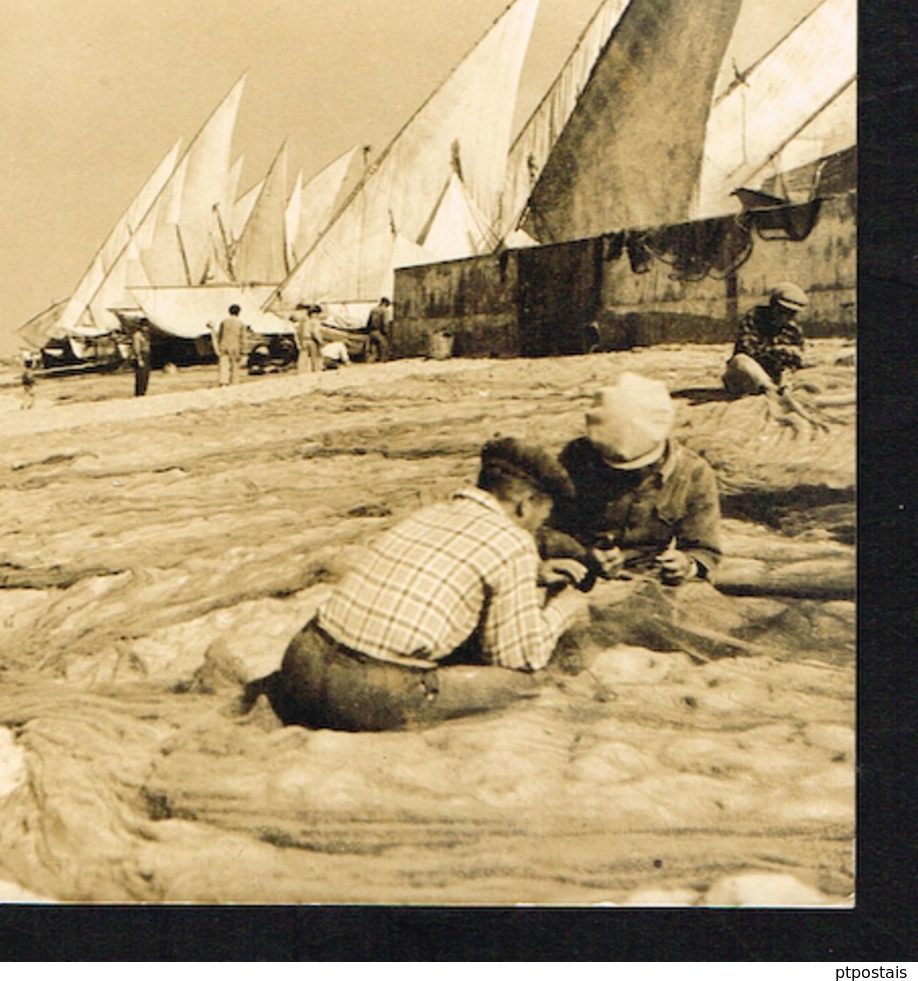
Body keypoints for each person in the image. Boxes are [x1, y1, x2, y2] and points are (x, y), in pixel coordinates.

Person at [273, 437, 591, 732]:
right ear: (525, 504)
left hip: (301, 663)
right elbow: (519, 658)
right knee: (533, 683)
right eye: (541, 517)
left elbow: (442, 569)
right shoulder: (514, 541)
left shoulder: (432, 514)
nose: (538, 527)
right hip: (368, 691)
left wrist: (532, 574)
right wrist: (566, 608)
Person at [542, 372, 723, 585]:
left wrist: (687, 564)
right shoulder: (575, 460)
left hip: (652, 581)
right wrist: (582, 553)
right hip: (580, 574)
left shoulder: (692, 474)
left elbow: (705, 550)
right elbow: (543, 528)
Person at [723, 282, 808, 397]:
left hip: (776, 375)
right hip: (749, 375)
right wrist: (777, 350)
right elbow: (747, 349)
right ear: (772, 306)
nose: (785, 317)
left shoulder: (793, 329)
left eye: (791, 314)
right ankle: (769, 388)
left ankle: (782, 389)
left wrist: (794, 356)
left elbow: (796, 361)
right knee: (740, 360)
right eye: (781, 311)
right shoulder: (754, 318)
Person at [213, 304, 248, 387]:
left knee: (224, 364)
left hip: (224, 346)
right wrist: (244, 351)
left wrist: (219, 345)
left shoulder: (224, 322)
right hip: (235, 346)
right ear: (239, 312)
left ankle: (223, 382)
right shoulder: (241, 323)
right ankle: (234, 381)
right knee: (234, 365)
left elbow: (220, 335)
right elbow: (243, 338)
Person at [294, 304, 325, 373]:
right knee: (315, 357)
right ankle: (316, 370)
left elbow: (299, 332)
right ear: (315, 313)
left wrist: (300, 341)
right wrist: (320, 341)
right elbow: (315, 332)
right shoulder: (315, 322)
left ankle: (301, 372)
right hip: (311, 340)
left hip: (304, 340)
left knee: (303, 356)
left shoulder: (304, 322)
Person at [366, 298, 394, 362]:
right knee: (384, 347)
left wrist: (368, 331)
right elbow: (385, 322)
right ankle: (382, 361)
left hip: (371, 331)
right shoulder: (385, 311)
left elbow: (368, 322)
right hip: (379, 332)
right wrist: (386, 332)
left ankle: (370, 362)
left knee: (373, 349)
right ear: (385, 303)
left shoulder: (373, 310)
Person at [130, 322, 153, 397]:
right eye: (144, 326)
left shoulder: (146, 335)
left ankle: (143, 391)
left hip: (146, 355)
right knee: (141, 375)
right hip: (141, 355)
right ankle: (139, 392)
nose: (146, 328)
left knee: (146, 374)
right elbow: (136, 348)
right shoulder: (137, 335)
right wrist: (139, 359)